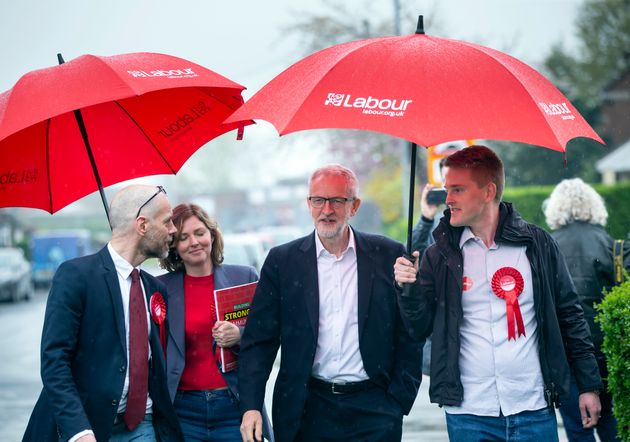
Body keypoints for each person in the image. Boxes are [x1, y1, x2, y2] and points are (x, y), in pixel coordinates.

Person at [394, 146, 603, 442]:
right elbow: (418, 328)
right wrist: (408, 290)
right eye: (446, 189)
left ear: (488, 191)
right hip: (468, 414)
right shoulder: (438, 254)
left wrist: (588, 385)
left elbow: (570, 316)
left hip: (533, 409)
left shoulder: (538, 244)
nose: (448, 199)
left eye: (457, 189)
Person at [238, 164, 423, 442]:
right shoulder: (282, 262)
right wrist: (251, 406)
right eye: (319, 200)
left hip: (375, 408)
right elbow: (259, 341)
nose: (327, 210)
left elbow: (410, 331)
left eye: (337, 200)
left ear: (355, 205)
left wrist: (398, 400)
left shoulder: (389, 256)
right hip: (306, 408)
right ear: (308, 203)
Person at [23, 185, 184, 442]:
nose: (174, 230)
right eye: (167, 222)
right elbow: (55, 361)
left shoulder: (156, 290)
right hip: (86, 428)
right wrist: (79, 431)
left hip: (143, 427)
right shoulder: (76, 276)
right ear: (142, 225)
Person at [157, 203, 274, 441]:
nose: (194, 242)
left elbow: (268, 333)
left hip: (235, 407)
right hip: (183, 411)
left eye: (199, 233)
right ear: (174, 247)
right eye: (183, 237)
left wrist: (240, 334)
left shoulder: (244, 276)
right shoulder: (161, 289)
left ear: (212, 234)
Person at [544, 178, 627, 442]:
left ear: (556, 207)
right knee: (613, 426)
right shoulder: (614, 247)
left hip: (565, 351)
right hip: (606, 350)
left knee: (577, 428)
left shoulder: (546, 246)